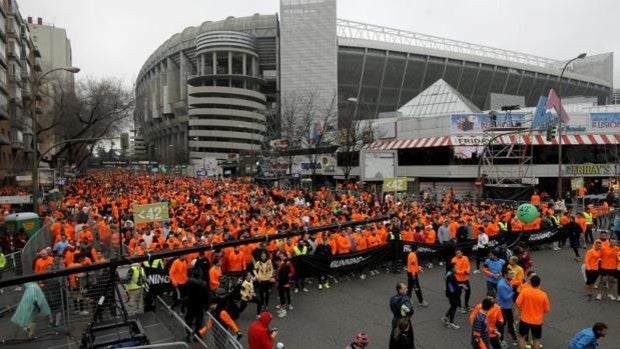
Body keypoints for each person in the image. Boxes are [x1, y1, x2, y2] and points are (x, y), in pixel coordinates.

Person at [515, 275, 550, 349]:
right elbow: (546, 310)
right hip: (537, 321)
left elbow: (518, 303)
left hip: (524, 319)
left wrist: (517, 313)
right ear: (539, 283)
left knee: (522, 337)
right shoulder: (543, 295)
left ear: (530, 282)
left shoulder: (524, 291)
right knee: (536, 339)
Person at [496, 269, 518, 347]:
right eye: (510, 274)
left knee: (510, 323)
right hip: (502, 308)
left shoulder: (508, 282)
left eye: (512, 273)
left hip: (508, 307)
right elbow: (505, 297)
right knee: (502, 325)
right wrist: (513, 292)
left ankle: (514, 338)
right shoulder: (501, 285)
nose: (512, 275)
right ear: (505, 275)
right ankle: (501, 340)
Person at [442, 262, 463, 330]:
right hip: (452, 294)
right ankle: (451, 323)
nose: (456, 268)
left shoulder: (448, 273)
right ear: (452, 268)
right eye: (455, 267)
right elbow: (455, 286)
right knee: (454, 306)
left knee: (452, 306)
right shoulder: (451, 276)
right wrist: (462, 286)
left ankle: (445, 317)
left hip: (449, 293)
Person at [452, 248, 471, 313]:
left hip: (465, 279)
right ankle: (460, 307)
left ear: (462, 253)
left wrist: (468, 271)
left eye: (458, 253)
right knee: (458, 294)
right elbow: (454, 270)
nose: (457, 254)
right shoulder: (454, 260)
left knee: (468, 292)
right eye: (456, 253)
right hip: (458, 280)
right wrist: (464, 272)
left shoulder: (465, 258)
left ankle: (466, 305)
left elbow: (468, 266)